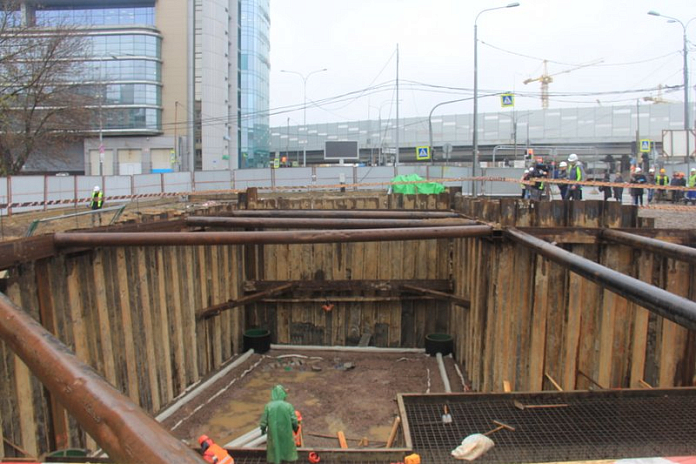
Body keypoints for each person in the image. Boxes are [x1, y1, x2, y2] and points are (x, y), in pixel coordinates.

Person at [260, 385, 298, 464]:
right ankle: (287, 460)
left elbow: (263, 422)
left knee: (274, 448)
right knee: (287, 448)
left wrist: (263, 430)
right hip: (286, 433)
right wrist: (295, 428)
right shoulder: (288, 406)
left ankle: (275, 461)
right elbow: (294, 420)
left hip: (273, 433)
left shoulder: (268, 406)